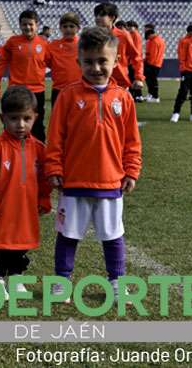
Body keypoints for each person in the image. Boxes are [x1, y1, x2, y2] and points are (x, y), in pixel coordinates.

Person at [45, 27, 142, 304]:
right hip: (73, 182)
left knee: (113, 235)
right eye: (89, 61)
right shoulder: (67, 95)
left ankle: (116, 281)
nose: (96, 67)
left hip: (110, 181)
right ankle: (62, 281)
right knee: (68, 234)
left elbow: (132, 141)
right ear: (79, 62)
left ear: (116, 60)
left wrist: (131, 170)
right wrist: (54, 168)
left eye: (103, 61)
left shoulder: (123, 98)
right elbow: (55, 138)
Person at [0, 86, 51, 300]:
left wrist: (44, 199)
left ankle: (16, 277)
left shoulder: (38, 148)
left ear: (35, 117)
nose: (20, 124)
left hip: (25, 210)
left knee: (20, 244)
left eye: (26, 118)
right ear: (2, 118)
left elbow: (44, 179)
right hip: (1, 209)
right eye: (14, 118)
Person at [1, 10, 47, 141]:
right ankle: (8, 154)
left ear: (36, 25)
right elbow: (0, 59)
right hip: (16, 90)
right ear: (20, 25)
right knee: (11, 124)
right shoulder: (12, 42)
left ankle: (39, 156)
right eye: (24, 24)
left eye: (30, 24)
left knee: (37, 125)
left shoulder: (44, 44)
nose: (27, 27)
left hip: (37, 90)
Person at [93, 3, 144, 93]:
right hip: (96, 81)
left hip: (119, 83)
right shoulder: (91, 36)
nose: (97, 18)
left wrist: (138, 77)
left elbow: (136, 57)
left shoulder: (123, 35)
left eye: (101, 15)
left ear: (112, 17)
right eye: (96, 15)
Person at [45, 12, 82, 106]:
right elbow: (48, 63)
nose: (68, 29)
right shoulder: (53, 46)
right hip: (59, 90)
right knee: (58, 120)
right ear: (60, 28)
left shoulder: (84, 45)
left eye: (71, 26)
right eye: (65, 26)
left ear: (78, 28)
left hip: (80, 90)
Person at [142, 24, 165, 103]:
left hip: (153, 64)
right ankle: (151, 94)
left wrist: (147, 62)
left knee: (152, 80)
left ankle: (155, 97)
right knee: (151, 80)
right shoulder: (159, 39)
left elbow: (152, 54)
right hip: (156, 63)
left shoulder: (154, 41)